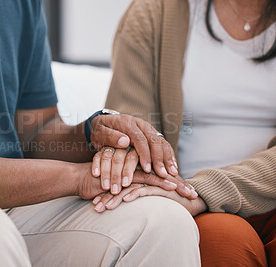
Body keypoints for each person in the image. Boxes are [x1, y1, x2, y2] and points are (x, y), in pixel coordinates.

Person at [0, 0, 201, 266]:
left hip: (12, 206)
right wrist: (76, 177)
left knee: (163, 222)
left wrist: (92, 132)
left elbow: (35, 132)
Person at [98, 0, 276, 266]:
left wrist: (205, 190)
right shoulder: (154, 11)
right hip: (192, 204)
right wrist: (184, 192)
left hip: (208, 193)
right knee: (224, 245)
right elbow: (130, 134)